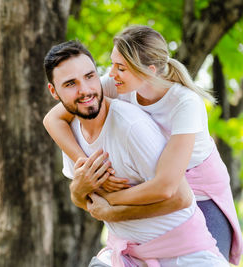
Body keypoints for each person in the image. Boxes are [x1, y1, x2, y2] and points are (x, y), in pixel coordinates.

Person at [43, 25, 242, 264]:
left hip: (199, 191)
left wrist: (111, 202)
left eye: (120, 67)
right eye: (112, 64)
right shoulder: (119, 83)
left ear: (148, 70)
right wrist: (86, 167)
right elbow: (53, 119)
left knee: (203, 253)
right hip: (157, 177)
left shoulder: (185, 103)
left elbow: (167, 187)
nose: (112, 73)